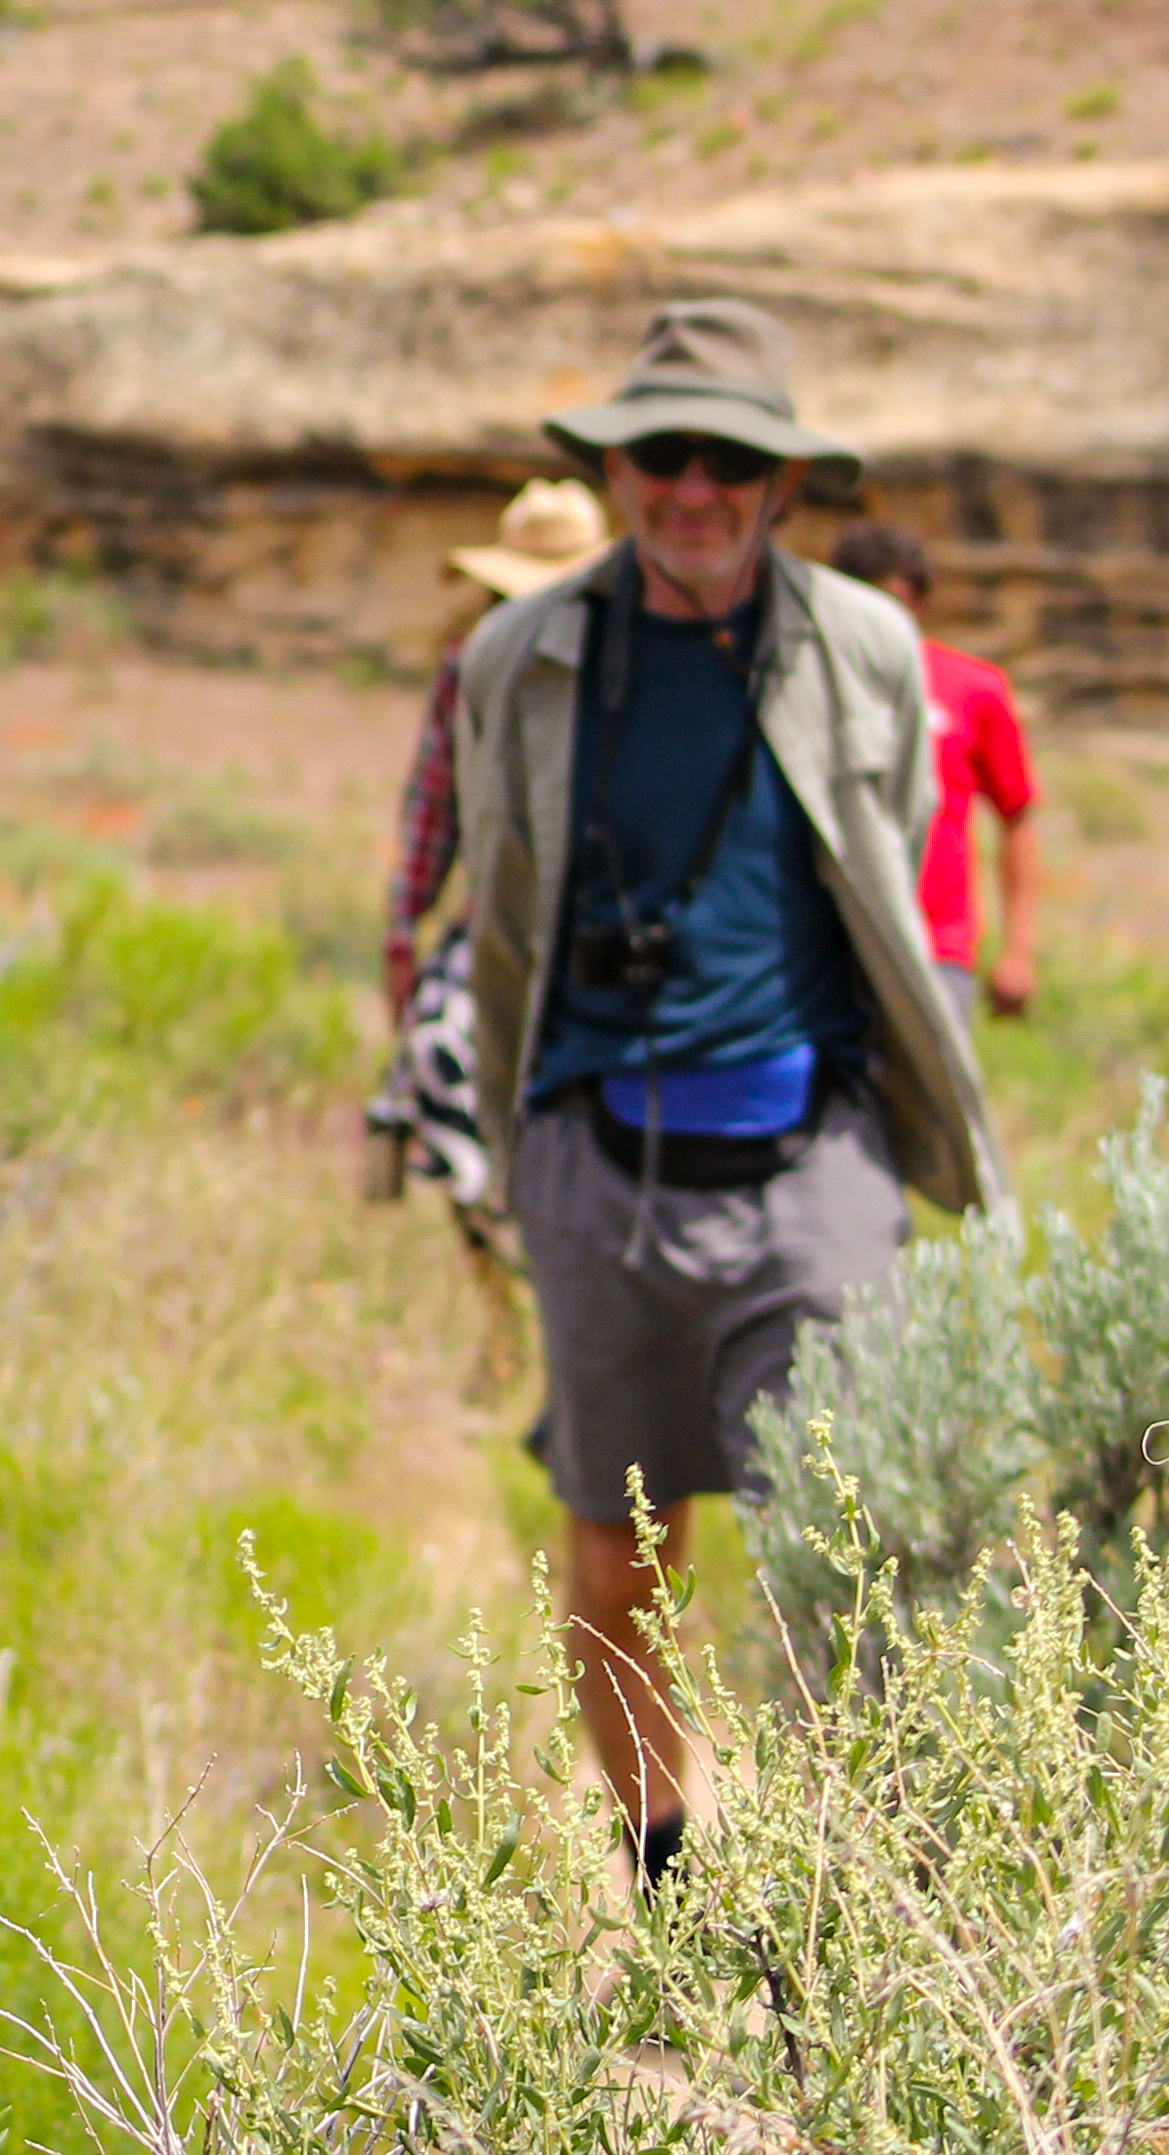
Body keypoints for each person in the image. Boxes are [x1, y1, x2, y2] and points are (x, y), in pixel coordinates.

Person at [446, 299, 1003, 1884]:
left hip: (812, 1158)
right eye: (660, 453)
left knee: (858, 1537)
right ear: (617, 470)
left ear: (783, 482)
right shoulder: (526, 655)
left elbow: (893, 876)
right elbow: (500, 914)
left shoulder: (863, 648)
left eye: (730, 458)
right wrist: (507, 1154)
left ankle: (891, 1892)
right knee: (624, 1553)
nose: (692, 485)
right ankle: (667, 1870)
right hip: (599, 1160)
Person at [370, 476, 614, 1258]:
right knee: (439, 1065)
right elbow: (432, 807)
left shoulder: (631, 669)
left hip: (608, 928)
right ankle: (498, 1303)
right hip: (496, 928)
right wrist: (404, 929)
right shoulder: (467, 672)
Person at [828, 518, 1041, 1026]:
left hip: (936, 948)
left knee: (930, 1100)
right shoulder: (806, 685)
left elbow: (1018, 815)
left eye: (896, 605)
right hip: (830, 944)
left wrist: (1019, 951)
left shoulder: (971, 688)